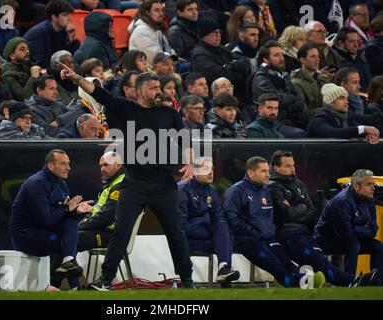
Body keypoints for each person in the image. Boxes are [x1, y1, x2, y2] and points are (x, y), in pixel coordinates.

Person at [59, 64, 196, 290]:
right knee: (121, 231)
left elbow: (185, 140)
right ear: (140, 92)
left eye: (158, 87)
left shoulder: (170, 113)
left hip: (164, 183)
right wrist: (75, 78)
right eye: (153, 88)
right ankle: (105, 280)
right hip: (133, 183)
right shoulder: (126, 108)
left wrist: (189, 163)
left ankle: (187, 280)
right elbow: (98, 93)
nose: (158, 91)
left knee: (175, 233)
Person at [268, 150, 377, 287]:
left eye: (293, 165)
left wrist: (297, 210)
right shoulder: (272, 187)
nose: (292, 169)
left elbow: (311, 211)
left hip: (305, 233)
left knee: (319, 260)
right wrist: (302, 209)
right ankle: (352, 281)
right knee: (318, 260)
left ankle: (353, 281)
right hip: (287, 235)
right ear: (276, 167)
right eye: (287, 166)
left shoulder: (299, 184)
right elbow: (285, 215)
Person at [223, 156, 326, 288]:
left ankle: (309, 283)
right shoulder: (236, 191)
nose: (268, 174)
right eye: (263, 171)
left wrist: (270, 232)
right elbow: (231, 220)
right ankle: (304, 285)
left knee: (288, 265)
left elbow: (269, 217)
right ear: (250, 173)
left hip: (268, 238)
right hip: (247, 240)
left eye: (268, 170)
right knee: (278, 269)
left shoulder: (265, 190)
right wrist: (254, 232)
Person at [10, 149, 93, 282]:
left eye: (69, 163)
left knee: (71, 230)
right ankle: (60, 282)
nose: (68, 168)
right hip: (25, 236)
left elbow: (63, 216)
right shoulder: (36, 183)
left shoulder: (61, 183)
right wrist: (67, 208)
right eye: (63, 164)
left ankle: (68, 268)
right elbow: (47, 219)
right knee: (67, 242)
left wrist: (76, 211)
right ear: (50, 166)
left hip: (45, 232)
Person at [51, 151, 125, 289]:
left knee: (69, 238)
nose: (102, 169)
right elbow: (98, 213)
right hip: (102, 231)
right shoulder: (112, 183)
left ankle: (53, 284)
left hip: (111, 236)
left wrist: (80, 226)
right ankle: (72, 286)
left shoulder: (121, 185)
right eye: (100, 165)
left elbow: (106, 218)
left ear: (118, 165)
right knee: (65, 237)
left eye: (106, 165)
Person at [314, 169, 383, 286]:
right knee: (353, 244)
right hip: (327, 240)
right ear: (356, 186)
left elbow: (373, 230)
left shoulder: (369, 200)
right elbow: (346, 233)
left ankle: (377, 283)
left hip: (349, 237)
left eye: (373, 184)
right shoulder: (342, 201)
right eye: (369, 184)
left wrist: (355, 227)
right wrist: (361, 227)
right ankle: (350, 282)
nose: (373, 188)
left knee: (378, 246)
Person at [178, 158, 240, 287]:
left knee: (224, 231)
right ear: (194, 172)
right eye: (206, 169)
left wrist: (216, 231)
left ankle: (224, 270)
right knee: (225, 239)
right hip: (185, 240)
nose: (211, 172)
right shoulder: (182, 189)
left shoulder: (211, 190)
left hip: (204, 234)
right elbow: (181, 226)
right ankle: (226, 283)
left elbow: (218, 217)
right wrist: (211, 231)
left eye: (211, 168)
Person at [251, 40, 306, 133]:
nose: (282, 58)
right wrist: (291, 101)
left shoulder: (284, 75)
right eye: (276, 55)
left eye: (282, 55)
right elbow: (276, 101)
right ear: (265, 59)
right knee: (299, 134)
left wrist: (288, 101)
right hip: (271, 123)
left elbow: (300, 101)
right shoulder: (260, 77)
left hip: (290, 120)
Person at [191, 16, 251, 95]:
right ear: (204, 35)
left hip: (235, 91)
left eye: (219, 32)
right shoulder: (200, 56)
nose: (218, 35)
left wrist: (230, 66)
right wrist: (240, 72)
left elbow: (246, 62)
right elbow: (221, 77)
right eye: (214, 33)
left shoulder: (222, 49)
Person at [307, 83, 380, 143]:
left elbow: (355, 130)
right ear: (331, 102)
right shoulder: (319, 119)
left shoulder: (346, 117)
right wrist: (363, 129)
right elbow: (333, 133)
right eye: (342, 98)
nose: (347, 102)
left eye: (347, 98)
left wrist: (369, 134)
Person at [23, 0, 74, 68]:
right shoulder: (38, 34)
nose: (69, 18)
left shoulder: (63, 31)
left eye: (69, 15)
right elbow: (38, 62)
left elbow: (71, 58)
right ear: (54, 17)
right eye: (65, 15)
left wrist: (73, 41)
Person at [290, 43, 330, 126]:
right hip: (311, 124)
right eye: (313, 56)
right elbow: (302, 113)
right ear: (302, 60)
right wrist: (329, 110)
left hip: (326, 119)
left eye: (318, 56)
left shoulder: (323, 79)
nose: (317, 60)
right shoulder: (296, 83)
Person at [128, 0, 176, 65]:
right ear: (147, 12)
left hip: (165, 66)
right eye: (157, 10)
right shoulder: (141, 31)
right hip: (149, 71)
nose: (161, 13)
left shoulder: (157, 29)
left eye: (162, 10)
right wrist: (174, 60)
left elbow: (169, 50)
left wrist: (175, 59)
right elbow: (155, 58)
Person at [1, 37, 42, 102]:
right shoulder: (8, 73)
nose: (27, 51)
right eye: (22, 49)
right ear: (12, 56)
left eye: (27, 48)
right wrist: (33, 77)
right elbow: (23, 97)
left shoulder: (29, 66)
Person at [333, 26, 371, 91]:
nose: (356, 45)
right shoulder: (335, 59)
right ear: (341, 43)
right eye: (351, 41)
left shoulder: (361, 56)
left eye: (357, 41)